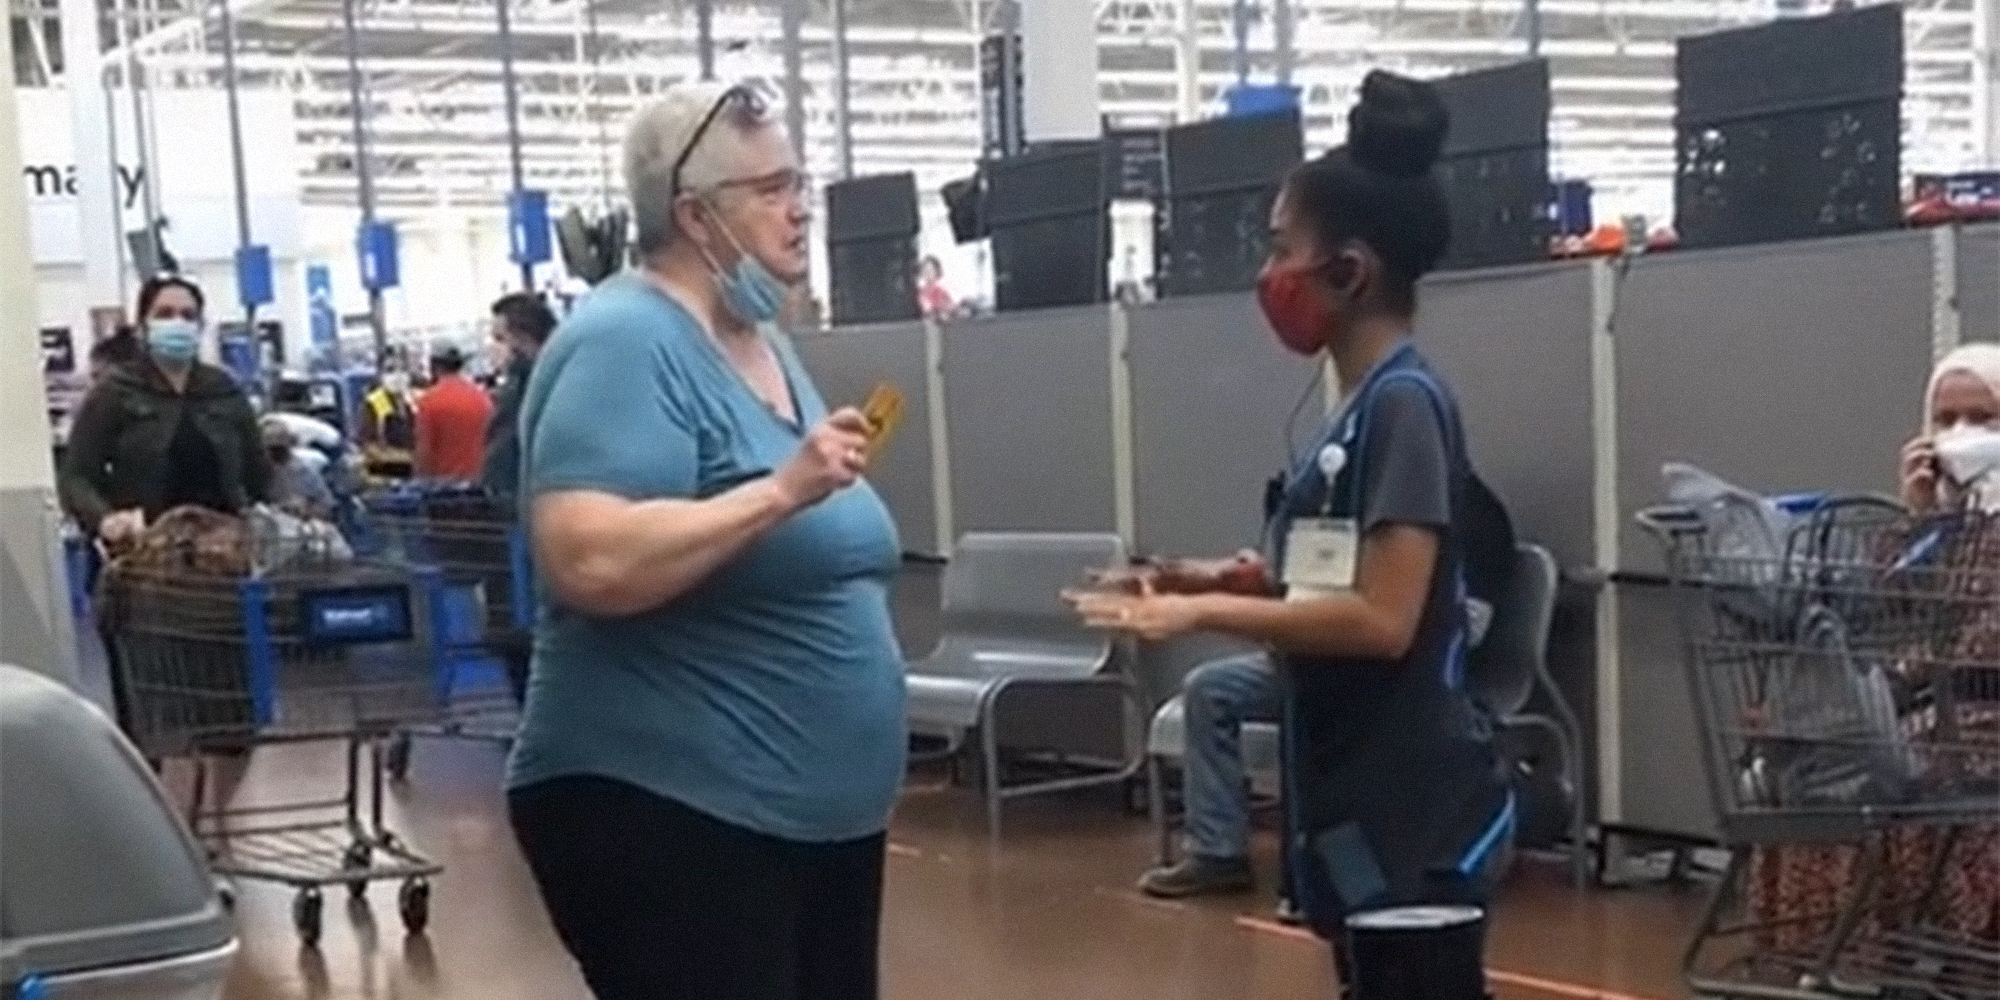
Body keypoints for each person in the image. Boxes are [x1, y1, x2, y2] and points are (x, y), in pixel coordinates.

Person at [1068, 71, 1509, 1000]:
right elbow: (1324, 580)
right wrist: (1204, 579)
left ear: (1349, 271)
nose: (1268, 276)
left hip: (1409, 799)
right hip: (1351, 784)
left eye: (1281, 250)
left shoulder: (1404, 408)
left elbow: (1383, 619)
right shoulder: (1356, 413)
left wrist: (1201, 617)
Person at [507, 80, 904, 1000]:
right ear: (695, 215)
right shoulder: (625, 338)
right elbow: (588, 558)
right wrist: (781, 491)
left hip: (811, 820)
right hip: (671, 810)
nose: (800, 209)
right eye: (770, 189)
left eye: (799, 182)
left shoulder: (757, 340)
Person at [59, 274, 273, 734]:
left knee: (231, 722)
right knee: (159, 719)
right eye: (165, 314)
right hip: (144, 572)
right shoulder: (115, 392)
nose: (177, 323)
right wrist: (105, 518)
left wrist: (269, 517)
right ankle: (163, 782)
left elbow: (259, 475)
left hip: (218, 572)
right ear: (143, 326)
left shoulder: (223, 390)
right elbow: (76, 475)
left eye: (188, 315)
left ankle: (218, 785)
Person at [482, 291, 559, 705]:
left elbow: (509, 456)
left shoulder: (532, 385)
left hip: (529, 529)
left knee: (521, 631)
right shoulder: (541, 378)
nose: (492, 347)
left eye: (498, 337)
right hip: (528, 524)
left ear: (522, 338)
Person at [413, 346, 493, 481]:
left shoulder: (429, 401)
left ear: (435, 367)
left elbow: (424, 452)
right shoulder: (483, 399)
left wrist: (418, 482)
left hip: (443, 486)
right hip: (479, 483)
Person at [261, 418, 335, 518]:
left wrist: (306, 509)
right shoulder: (264, 471)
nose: (276, 453)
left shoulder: (304, 470)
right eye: (271, 449)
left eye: (279, 448)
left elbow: (327, 506)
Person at [916, 255, 954, 320]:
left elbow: (950, 306)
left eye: (930, 270)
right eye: (924, 270)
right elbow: (925, 309)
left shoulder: (943, 289)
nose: (927, 273)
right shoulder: (921, 292)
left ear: (936, 271)